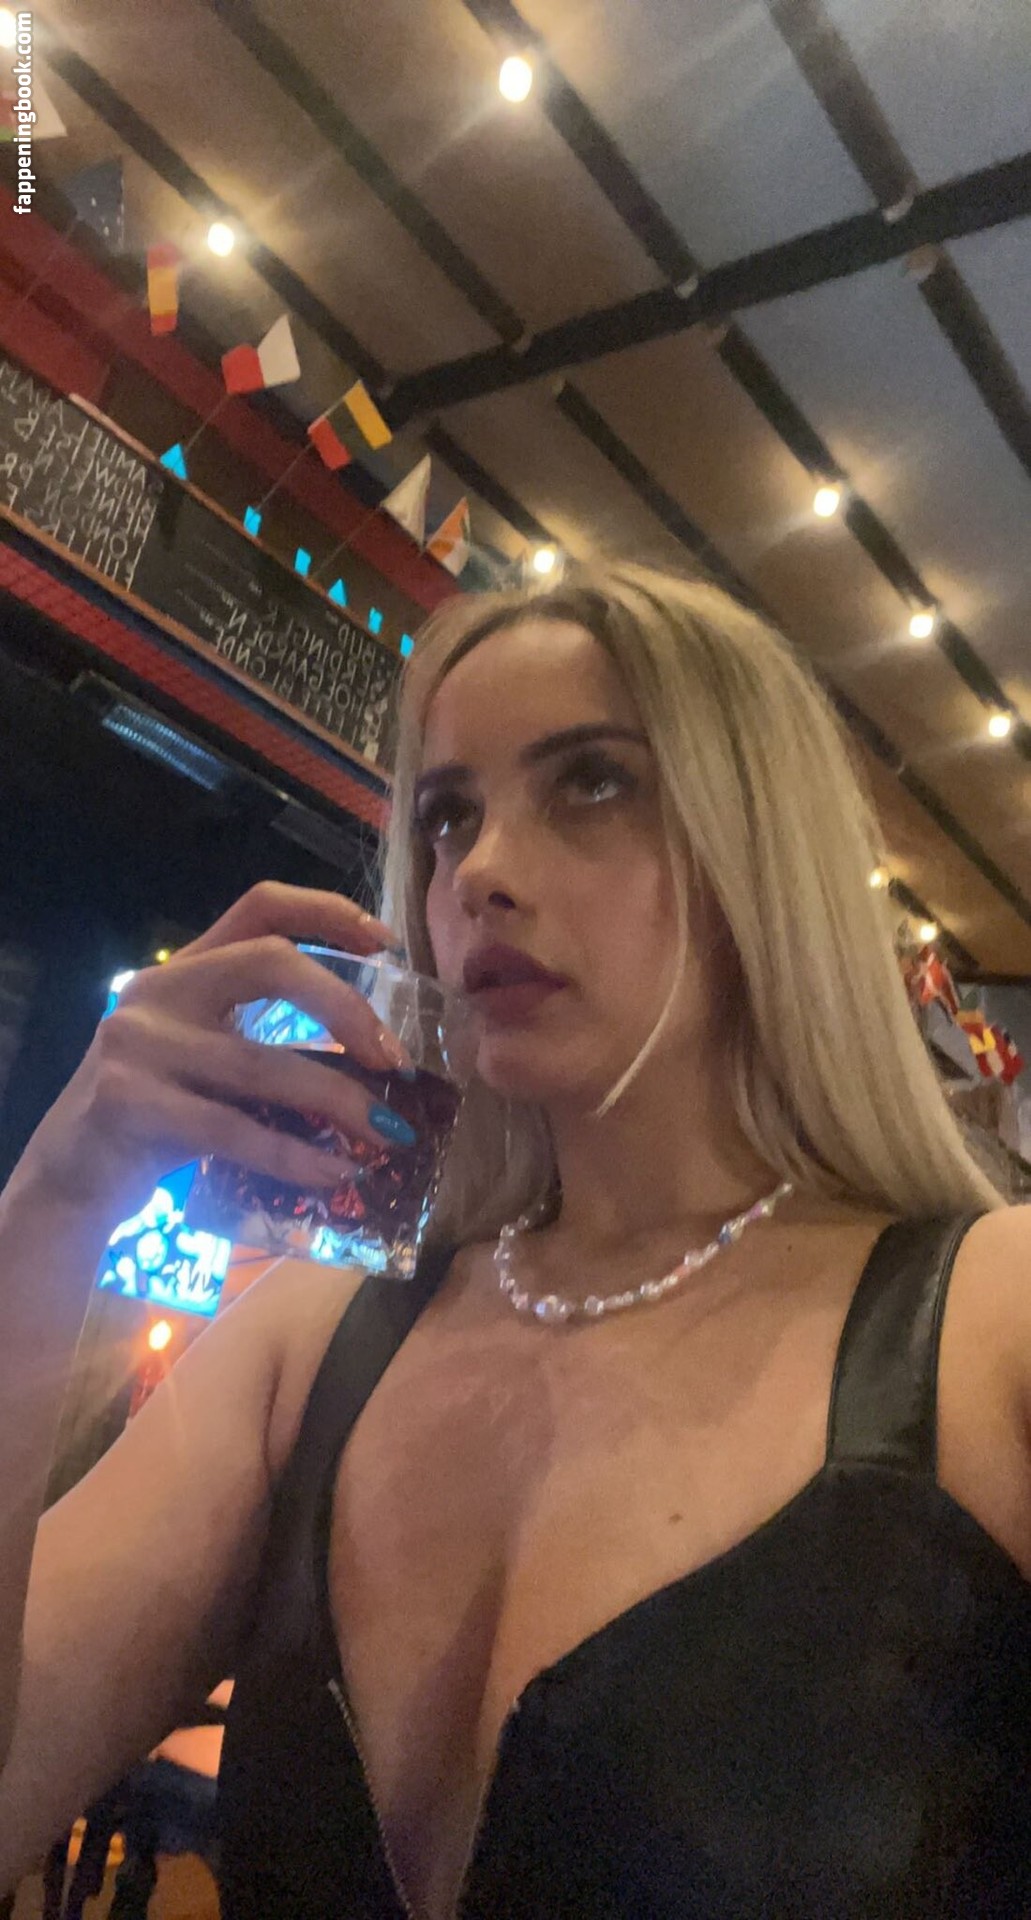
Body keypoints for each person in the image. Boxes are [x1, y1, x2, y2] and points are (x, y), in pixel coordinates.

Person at [0, 561, 1029, 1918]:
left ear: (761, 848)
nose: (477, 869)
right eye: (446, 815)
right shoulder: (311, 1340)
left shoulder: (985, 1325)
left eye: (592, 781)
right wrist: (52, 1208)